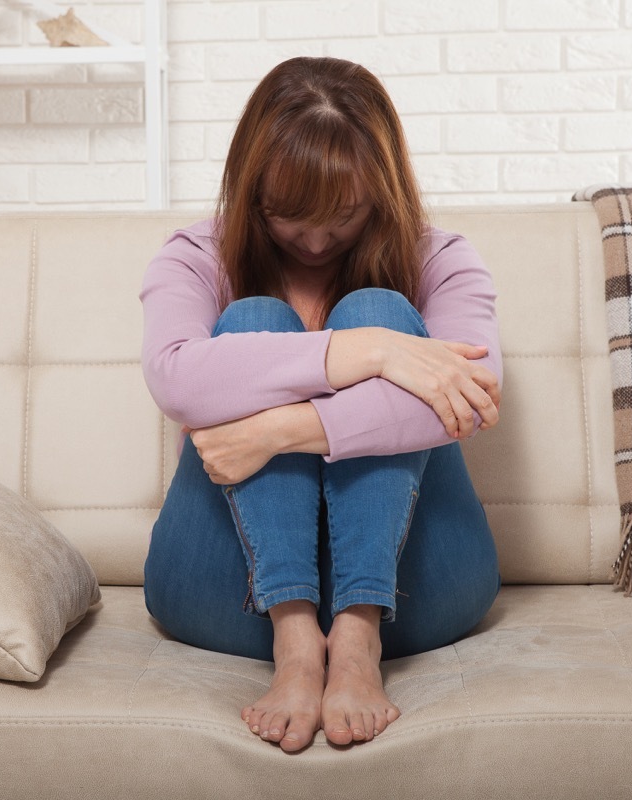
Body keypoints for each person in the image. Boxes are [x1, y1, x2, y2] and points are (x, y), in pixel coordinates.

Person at [139, 57, 502, 753]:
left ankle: (357, 637)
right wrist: (369, 352)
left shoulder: (443, 260)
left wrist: (282, 429)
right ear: (250, 193)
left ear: (383, 190)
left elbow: (473, 397)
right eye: (285, 216)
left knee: (384, 306)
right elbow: (177, 379)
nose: (312, 241)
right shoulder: (194, 255)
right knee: (253, 320)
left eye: (342, 215)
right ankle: (296, 643)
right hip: (230, 589)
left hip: (413, 588)